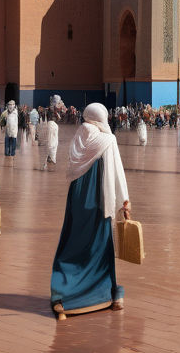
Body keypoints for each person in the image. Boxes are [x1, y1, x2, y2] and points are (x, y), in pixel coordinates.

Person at [51, 104, 131, 318]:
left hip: (77, 200)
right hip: (99, 200)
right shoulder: (108, 140)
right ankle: (103, 292)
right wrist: (125, 200)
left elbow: (72, 169)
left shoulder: (79, 136)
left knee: (73, 241)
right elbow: (117, 171)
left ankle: (65, 291)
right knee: (100, 244)